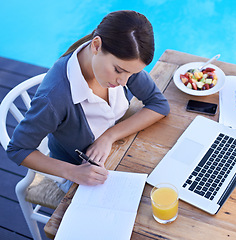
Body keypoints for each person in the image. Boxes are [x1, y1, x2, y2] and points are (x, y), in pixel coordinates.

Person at [6, 10, 170, 192]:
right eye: (118, 71)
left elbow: (159, 105)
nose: (124, 81)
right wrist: (73, 172)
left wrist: (109, 136)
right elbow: (17, 149)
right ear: (96, 46)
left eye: (132, 74)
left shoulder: (121, 60)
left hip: (117, 149)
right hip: (80, 172)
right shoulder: (54, 98)